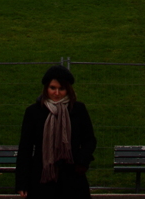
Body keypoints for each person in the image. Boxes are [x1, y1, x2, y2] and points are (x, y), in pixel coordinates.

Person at [14, 66, 96, 198]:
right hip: (42, 176)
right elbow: (25, 148)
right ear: (46, 88)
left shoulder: (78, 109)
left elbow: (89, 140)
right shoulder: (33, 112)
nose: (56, 93)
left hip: (72, 175)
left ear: (68, 89)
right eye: (53, 88)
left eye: (61, 89)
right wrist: (22, 182)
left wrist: (82, 161)